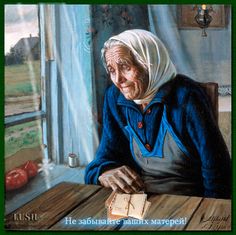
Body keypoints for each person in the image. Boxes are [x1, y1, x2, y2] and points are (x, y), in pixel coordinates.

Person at [84, 29, 231, 199]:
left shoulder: (186, 97)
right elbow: (104, 157)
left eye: (125, 67)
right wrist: (105, 171)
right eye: (111, 70)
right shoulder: (115, 97)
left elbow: (218, 171)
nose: (118, 79)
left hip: (188, 201)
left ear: (149, 63)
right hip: (138, 200)